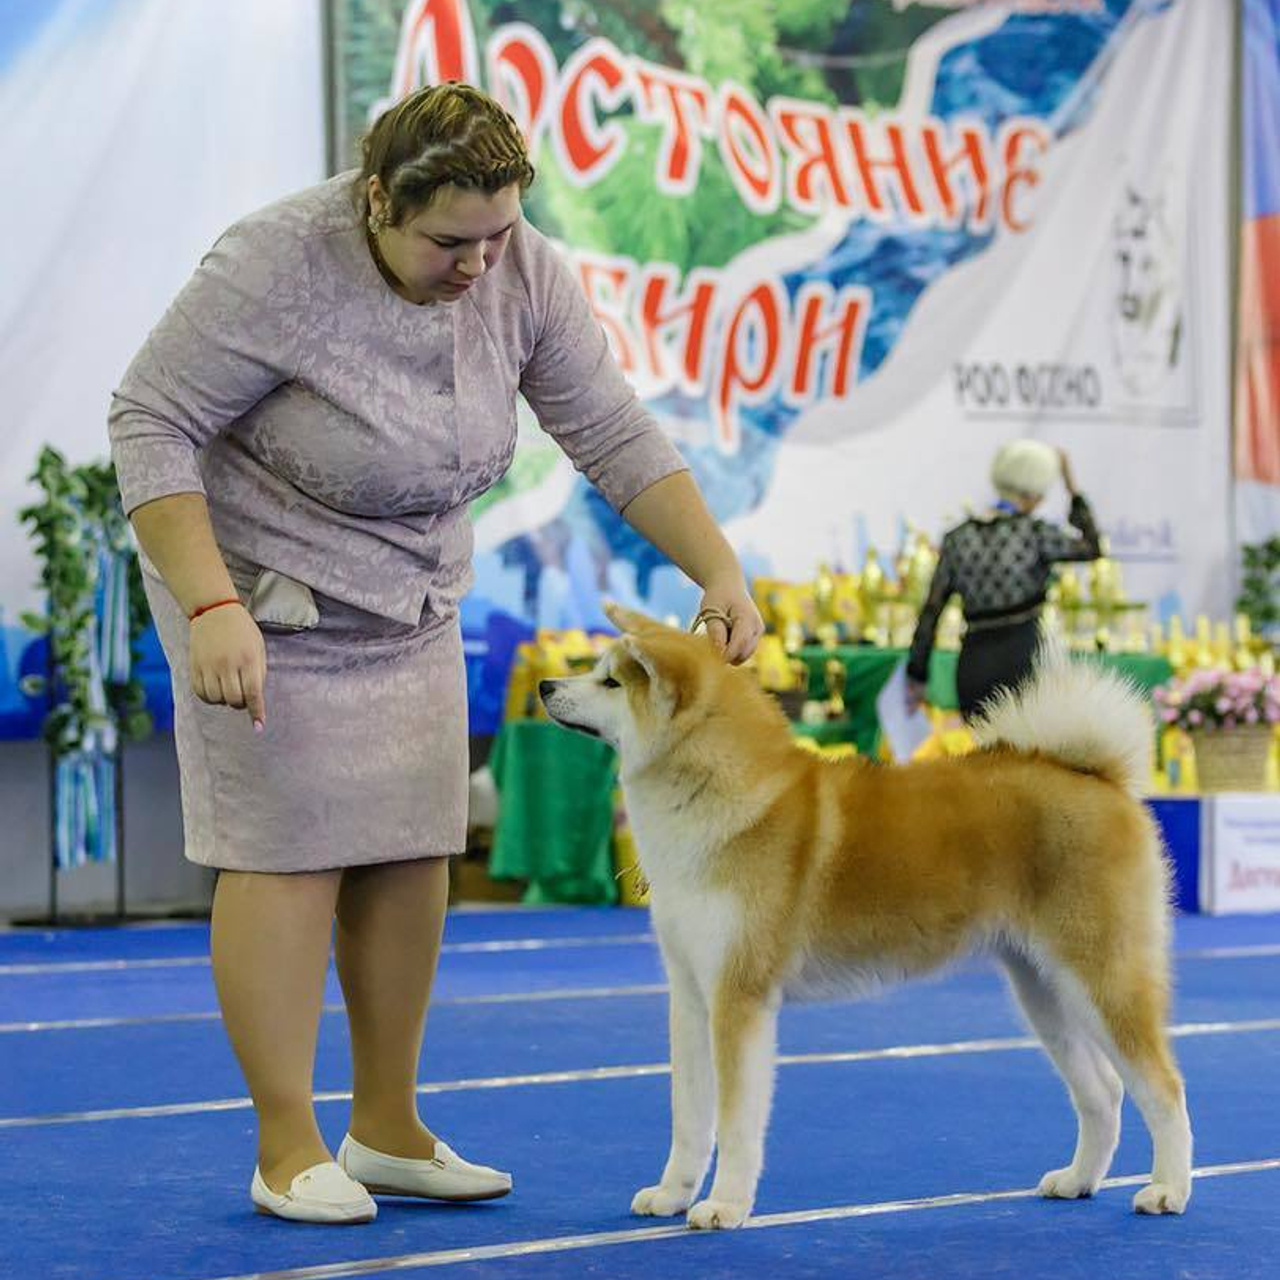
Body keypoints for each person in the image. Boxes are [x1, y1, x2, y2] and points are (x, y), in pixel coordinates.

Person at [108, 81, 763, 1225]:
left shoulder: (522, 270)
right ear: (377, 202)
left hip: (408, 599)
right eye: (450, 242)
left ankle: (387, 1126)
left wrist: (718, 567)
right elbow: (149, 417)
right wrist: (209, 603)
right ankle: (285, 1142)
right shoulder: (272, 263)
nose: (479, 263)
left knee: (414, 846)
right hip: (259, 600)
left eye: (498, 234)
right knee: (285, 851)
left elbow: (607, 428)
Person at [905, 440, 1102, 722]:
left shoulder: (958, 538)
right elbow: (1092, 547)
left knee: (979, 747)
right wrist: (1072, 489)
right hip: (1023, 661)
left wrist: (917, 674)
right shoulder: (1034, 534)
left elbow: (931, 611)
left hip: (974, 665)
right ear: (1031, 493)